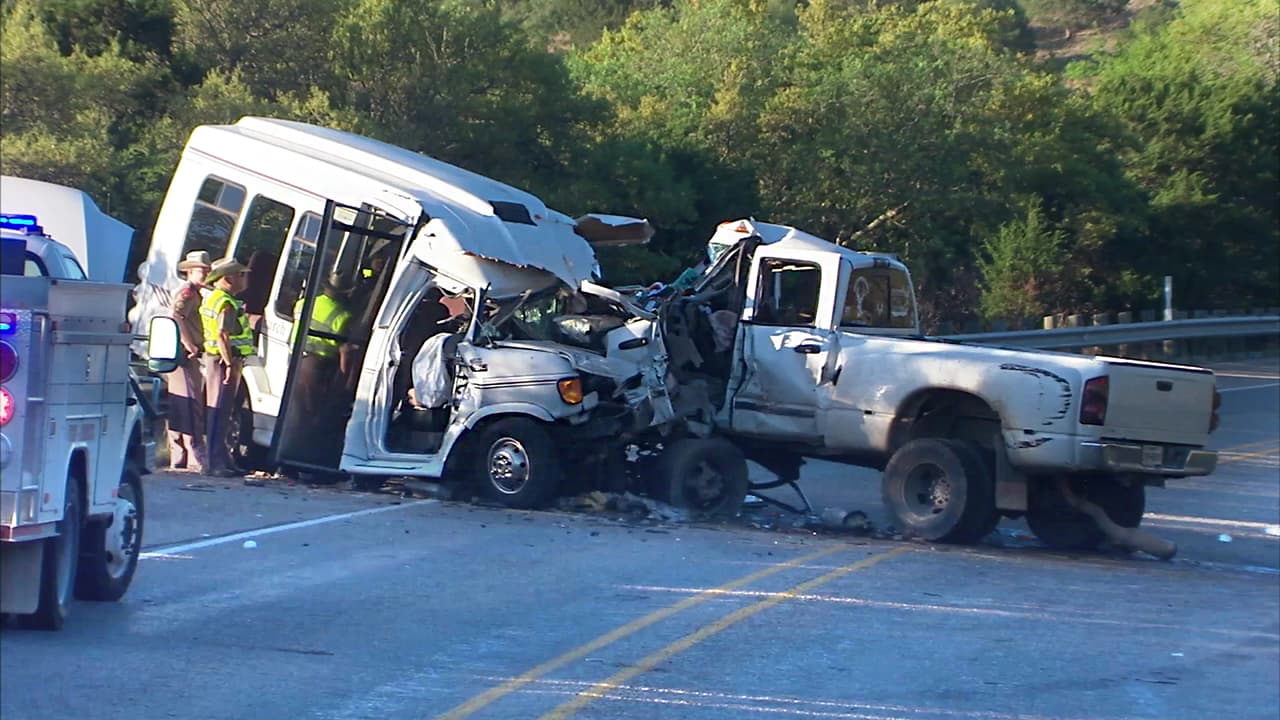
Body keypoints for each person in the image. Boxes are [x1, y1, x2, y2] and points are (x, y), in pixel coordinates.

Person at [200, 258, 255, 477]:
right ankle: (215, 464)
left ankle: (223, 460)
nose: (245, 278)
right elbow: (223, 335)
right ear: (228, 278)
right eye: (241, 274)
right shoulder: (225, 303)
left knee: (222, 412)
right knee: (219, 413)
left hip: (219, 360)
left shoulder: (216, 298)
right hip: (223, 361)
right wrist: (230, 363)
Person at [166, 250, 212, 472]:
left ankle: (179, 454)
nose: (205, 274)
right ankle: (195, 454)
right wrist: (189, 344)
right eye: (201, 270)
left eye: (207, 270)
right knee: (190, 402)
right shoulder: (187, 293)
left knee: (180, 402)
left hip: (180, 354)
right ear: (190, 272)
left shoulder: (194, 293)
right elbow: (176, 316)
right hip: (185, 355)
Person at [291, 274, 356, 422]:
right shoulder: (344, 317)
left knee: (295, 407)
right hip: (318, 368)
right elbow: (345, 352)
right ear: (346, 293)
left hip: (295, 360)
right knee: (313, 412)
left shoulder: (302, 303)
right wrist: (343, 384)